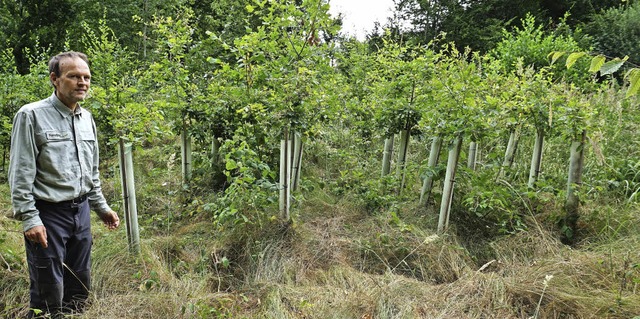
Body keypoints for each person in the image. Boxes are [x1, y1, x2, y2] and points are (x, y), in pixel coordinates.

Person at [8, 51, 120, 318]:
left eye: (86, 77)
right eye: (73, 76)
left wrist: (101, 207)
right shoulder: (31, 115)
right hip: (48, 214)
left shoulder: (86, 119)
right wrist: (30, 219)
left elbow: (91, 172)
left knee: (79, 284)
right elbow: (20, 172)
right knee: (48, 290)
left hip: (80, 213)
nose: (82, 82)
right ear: (55, 79)